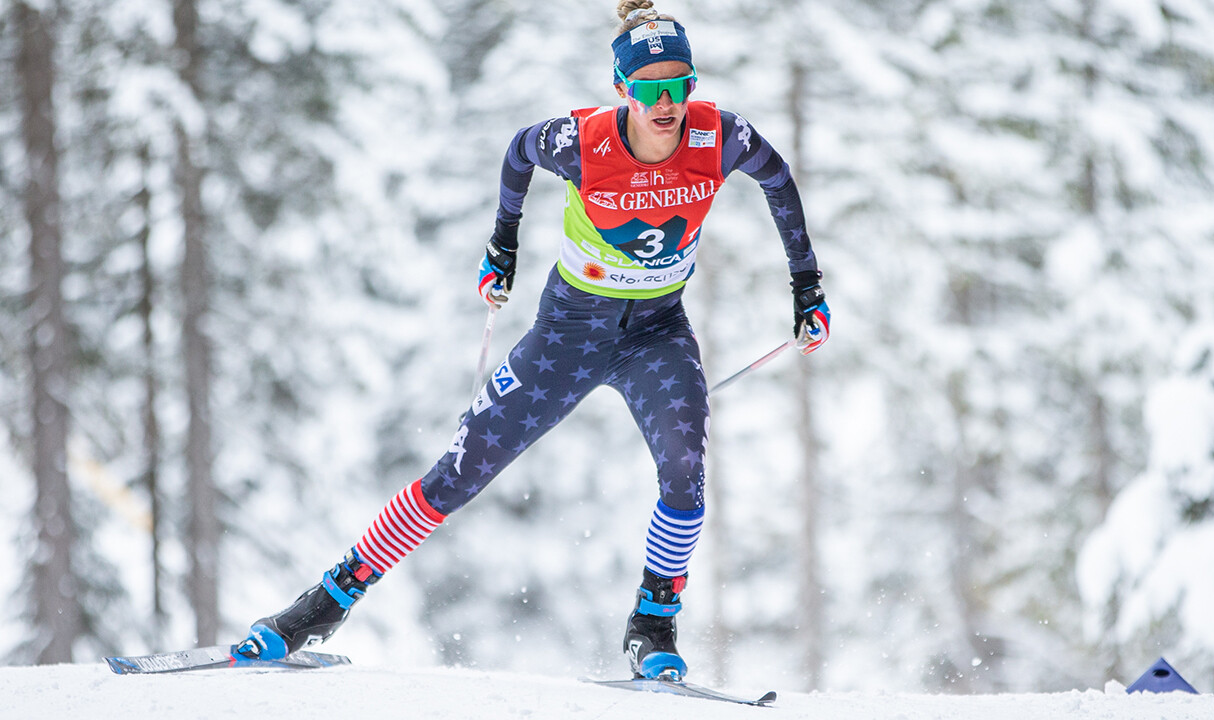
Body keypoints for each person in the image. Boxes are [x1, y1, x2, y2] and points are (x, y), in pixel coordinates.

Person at [232, 0, 830, 681]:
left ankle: (652, 621)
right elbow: (518, 152)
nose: (667, 104)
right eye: (649, 88)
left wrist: (807, 287)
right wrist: (502, 247)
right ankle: (324, 602)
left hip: (658, 331)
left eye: (680, 85)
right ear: (621, 88)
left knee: (686, 473)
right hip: (569, 331)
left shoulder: (719, 138)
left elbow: (778, 181)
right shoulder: (581, 142)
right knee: (460, 471)